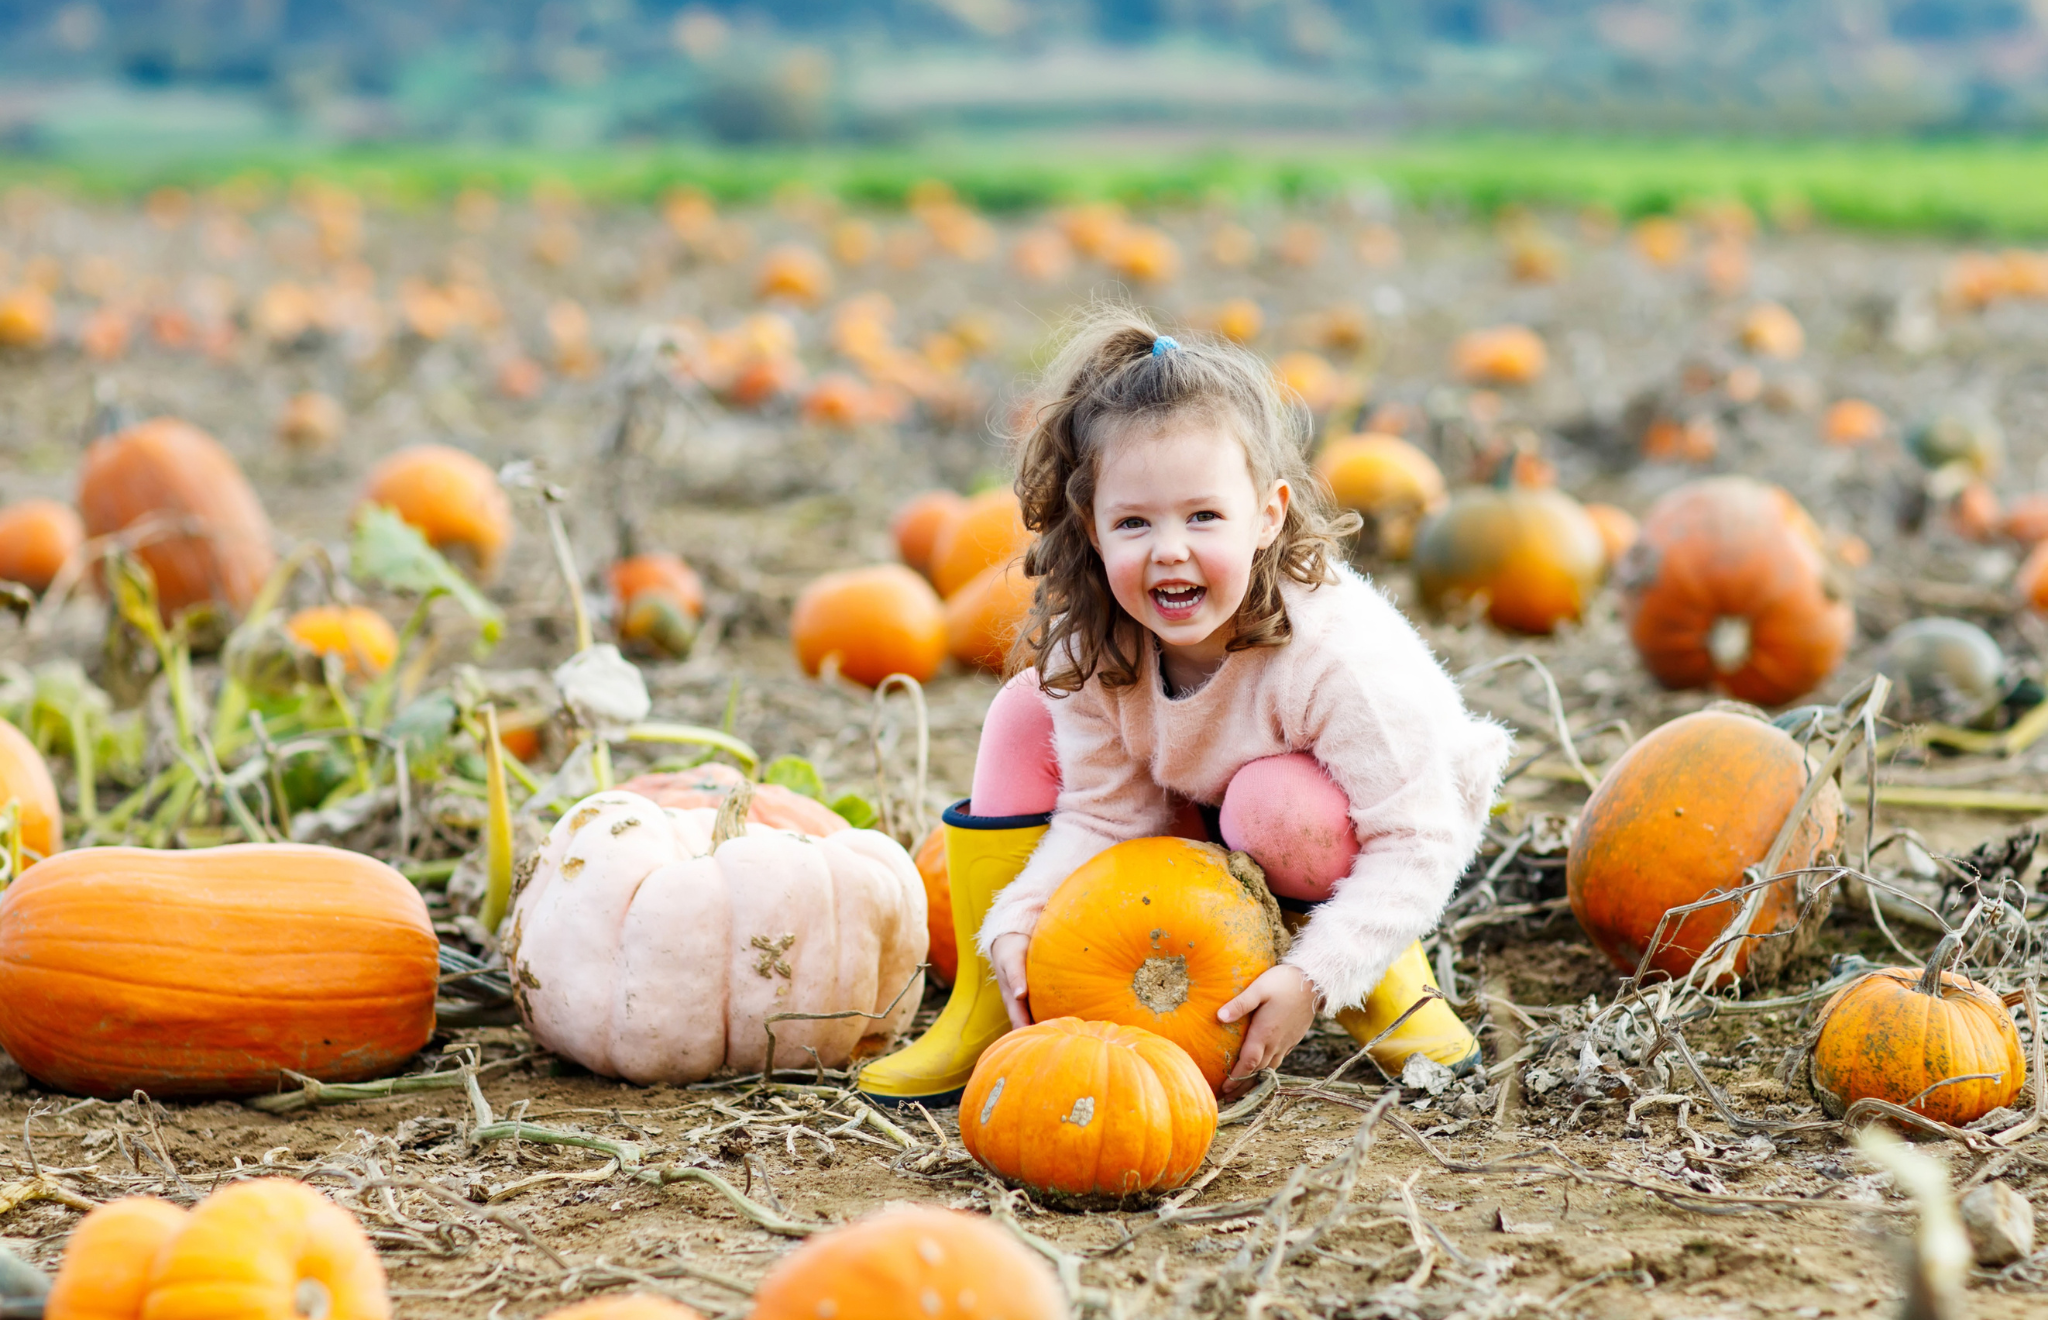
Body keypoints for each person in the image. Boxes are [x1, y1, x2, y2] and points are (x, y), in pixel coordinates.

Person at [860, 309, 1511, 1106]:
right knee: (1025, 708)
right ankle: (995, 1000)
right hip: (1208, 803)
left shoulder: (1334, 658)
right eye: (1133, 522)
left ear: (1267, 515)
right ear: (1092, 531)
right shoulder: (1097, 646)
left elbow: (1416, 838)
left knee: (1276, 804)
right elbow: (1105, 815)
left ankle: (1380, 979)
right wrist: (1022, 916)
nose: (1170, 549)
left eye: (1204, 516)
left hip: (1383, 824)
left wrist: (1314, 977)